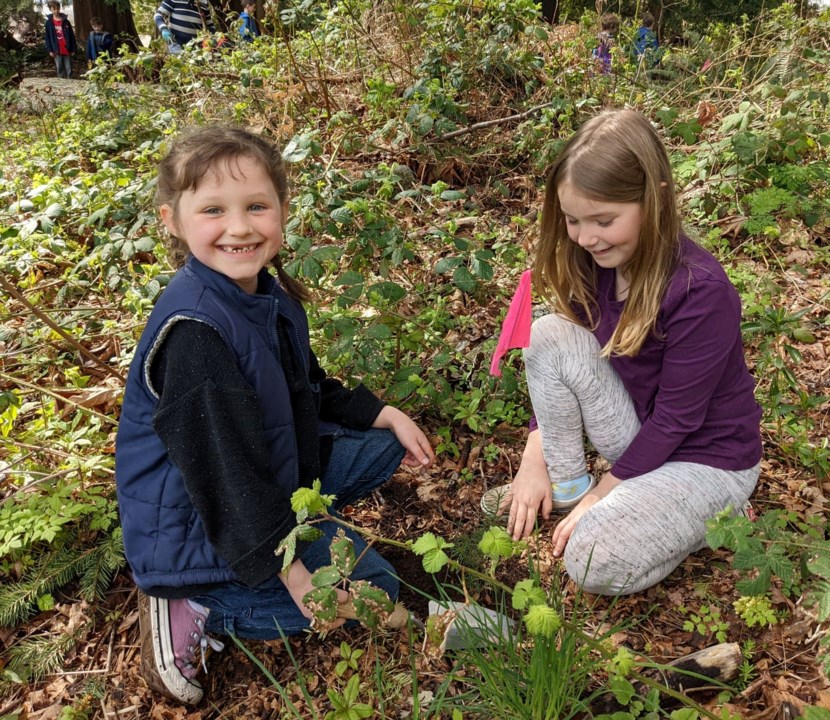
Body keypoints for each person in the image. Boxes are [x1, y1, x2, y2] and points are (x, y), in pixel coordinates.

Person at [115, 126, 435, 704]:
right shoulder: (196, 338)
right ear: (172, 220)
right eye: (213, 210)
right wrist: (296, 577)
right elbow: (228, 482)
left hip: (263, 469)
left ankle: (304, 532)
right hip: (201, 524)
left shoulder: (266, 291)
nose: (239, 227)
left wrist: (382, 412)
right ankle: (199, 604)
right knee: (378, 594)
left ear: (283, 211)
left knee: (386, 443)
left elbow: (308, 387)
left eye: (256, 207)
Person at [484, 110, 761, 597]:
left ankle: (716, 513)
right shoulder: (595, 262)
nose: (586, 237)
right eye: (573, 220)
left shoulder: (701, 291)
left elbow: (679, 419)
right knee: (550, 332)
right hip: (637, 434)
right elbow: (557, 364)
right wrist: (535, 458)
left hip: (707, 458)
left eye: (604, 221)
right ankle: (569, 486)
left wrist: (605, 494)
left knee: (592, 560)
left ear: (654, 199)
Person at [43, 1, 76, 79]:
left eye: (58, 8)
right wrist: (50, 50)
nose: (56, 10)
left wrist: (73, 48)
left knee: (69, 67)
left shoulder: (66, 22)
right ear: (50, 9)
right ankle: (61, 83)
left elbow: (72, 36)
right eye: (54, 9)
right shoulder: (48, 23)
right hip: (56, 49)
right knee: (59, 67)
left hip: (66, 48)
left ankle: (70, 81)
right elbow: (47, 37)